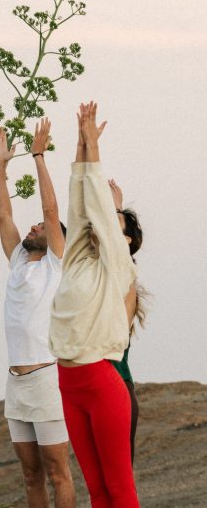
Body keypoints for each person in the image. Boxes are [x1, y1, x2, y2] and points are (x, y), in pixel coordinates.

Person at [50, 102, 140, 508]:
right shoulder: (76, 265)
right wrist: (79, 145)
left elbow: (102, 219)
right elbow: (81, 205)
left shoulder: (118, 268)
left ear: (123, 240)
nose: (102, 223)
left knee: (118, 481)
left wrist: (95, 149)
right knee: (95, 486)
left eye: (113, 223)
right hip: (70, 383)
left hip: (102, 383)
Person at [0, 118, 75, 508]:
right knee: (29, 474)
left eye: (41, 225)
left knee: (57, 469)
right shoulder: (20, 260)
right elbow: (3, 215)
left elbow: (50, 204)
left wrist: (40, 157)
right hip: (15, 379)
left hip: (46, 376)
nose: (32, 225)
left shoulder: (56, 265)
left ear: (53, 233)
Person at [107, 179, 146, 463]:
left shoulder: (125, 277)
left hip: (116, 384)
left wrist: (117, 211)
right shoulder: (100, 273)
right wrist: (115, 210)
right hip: (95, 384)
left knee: (118, 479)